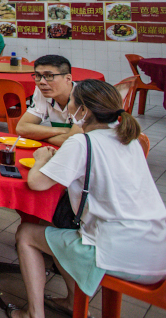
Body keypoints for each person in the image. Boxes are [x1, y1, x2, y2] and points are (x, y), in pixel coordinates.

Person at [13, 80, 166, 318]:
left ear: (83, 111)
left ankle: (34, 314)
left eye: (73, 101)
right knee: (59, 231)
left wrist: (42, 159)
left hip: (118, 255)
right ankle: (72, 302)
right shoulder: (130, 139)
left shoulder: (82, 142)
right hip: (157, 253)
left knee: (26, 235)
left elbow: (37, 183)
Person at [15, 55, 81, 147]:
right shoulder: (42, 91)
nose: (42, 82)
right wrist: (62, 131)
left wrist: (42, 137)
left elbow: (75, 140)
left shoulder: (84, 96)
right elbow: (22, 128)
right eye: (38, 76)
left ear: (68, 79)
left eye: (49, 76)